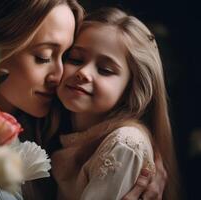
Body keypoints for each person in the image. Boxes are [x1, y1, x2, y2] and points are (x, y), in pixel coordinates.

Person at [0, 1, 167, 199]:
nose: (60, 74)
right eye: (43, 57)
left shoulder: (53, 127)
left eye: (65, 56)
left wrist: (137, 158)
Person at [50, 7, 179, 200]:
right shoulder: (57, 126)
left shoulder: (123, 144)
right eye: (75, 59)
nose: (83, 72)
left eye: (105, 70)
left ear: (131, 89)